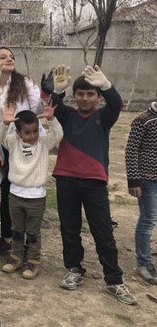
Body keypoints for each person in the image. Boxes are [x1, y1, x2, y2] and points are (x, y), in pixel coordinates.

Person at [51, 65, 137, 305]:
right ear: (75, 96)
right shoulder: (68, 115)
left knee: (103, 232)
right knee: (70, 228)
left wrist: (108, 87)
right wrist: (58, 92)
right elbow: (53, 107)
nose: (85, 98)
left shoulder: (104, 117)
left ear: (98, 98)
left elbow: (116, 104)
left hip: (95, 182)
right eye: (80, 93)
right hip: (66, 178)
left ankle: (114, 280)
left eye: (91, 94)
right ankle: (74, 270)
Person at [0, 46, 43, 257]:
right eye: (3, 56)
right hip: (3, 147)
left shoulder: (25, 83)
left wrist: (48, 94)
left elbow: (38, 113)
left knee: (24, 193)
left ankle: (26, 241)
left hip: (24, 146)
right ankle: (7, 239)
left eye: (11, 56)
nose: (9, 59)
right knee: (6, 193)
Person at [0, 103, 63, 279]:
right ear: (19, 133)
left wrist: (52, 119)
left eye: (35, 131)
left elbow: (58, 135)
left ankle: (33, 261)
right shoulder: (13, 143)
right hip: (15, 195)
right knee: (17, 230)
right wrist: (5, 123)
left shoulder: (43, 144)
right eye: (27, 132)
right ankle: (16, 257)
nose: (32, 135)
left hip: (36, 197)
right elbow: (1, 136)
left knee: (33, 232)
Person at [125, 100, 157, 285]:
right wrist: (133, 179)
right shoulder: (143, 119)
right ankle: (143, 263)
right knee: (148, 220)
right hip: (147, 178)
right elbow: (131, 150)